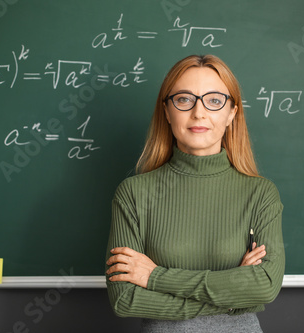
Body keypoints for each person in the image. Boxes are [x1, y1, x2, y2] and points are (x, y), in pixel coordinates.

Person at [105, 54, 284, 332]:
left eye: (214, 100)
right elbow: (125, 299)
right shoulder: (134, 194)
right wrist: (234, 297)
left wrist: (155, 276)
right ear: (166, 111)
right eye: (184, 99)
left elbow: (265, 287)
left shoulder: (260, 193)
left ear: (232, 113)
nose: (198, 113)